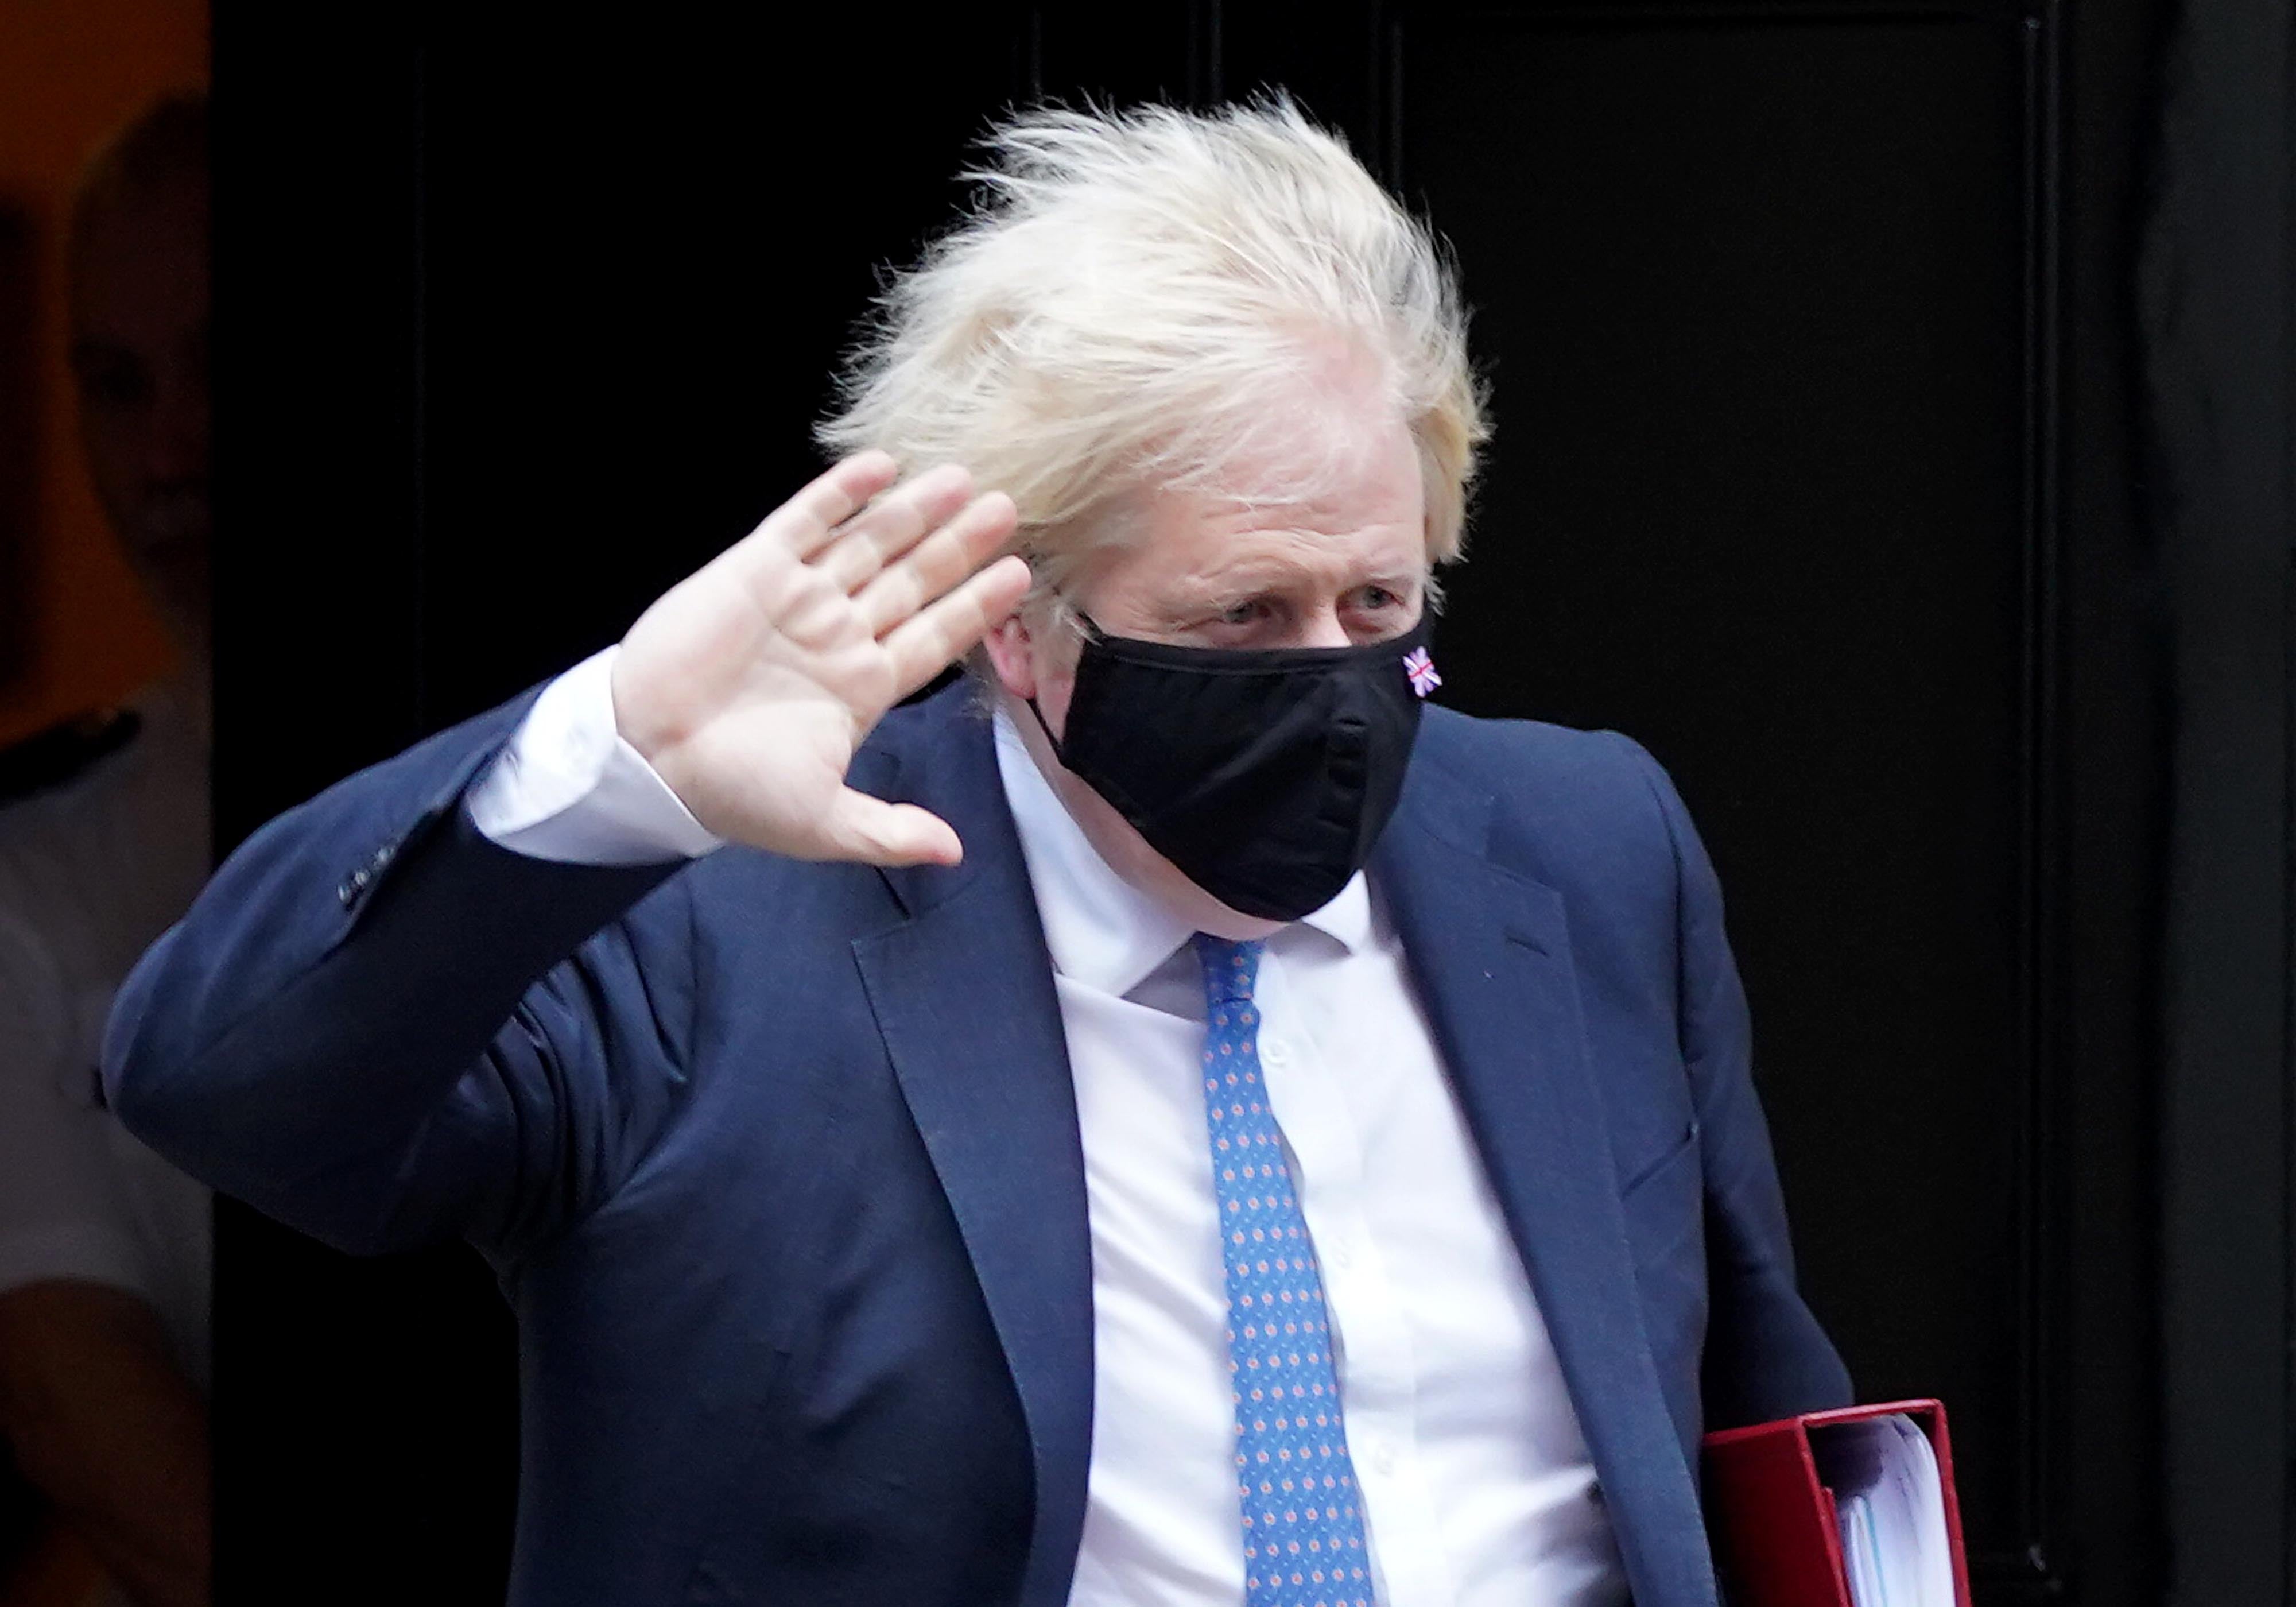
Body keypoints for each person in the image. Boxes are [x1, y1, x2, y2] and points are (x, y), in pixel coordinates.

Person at [102, 101, 1848, 1607]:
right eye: (1243, 615)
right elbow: (221, 1087)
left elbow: (1761, 1415)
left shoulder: (1586, 843)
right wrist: (616, 751)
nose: (1329, 674)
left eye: (1377, 604)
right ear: (1020, 626)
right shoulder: (713, 919)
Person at [0, 94, 212, 1607]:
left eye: (222, 367)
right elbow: (67, 1374)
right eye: (114, 383)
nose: (170, 455)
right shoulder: (42, 864)